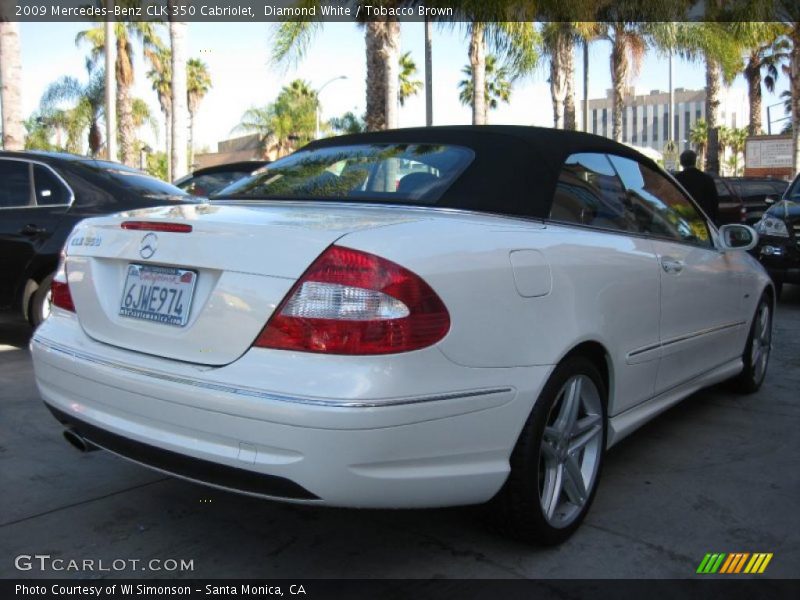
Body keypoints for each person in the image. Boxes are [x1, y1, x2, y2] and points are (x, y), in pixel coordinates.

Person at [674, 150, 719, 225]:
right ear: (695, 161)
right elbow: (714, 201)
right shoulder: (706, 179)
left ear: (681, 162)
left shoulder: (677, 179)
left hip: (684, 221)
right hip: (704, 220)